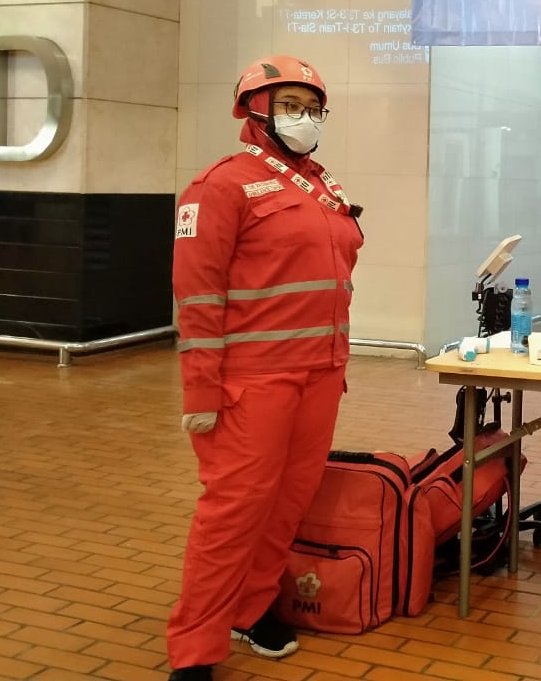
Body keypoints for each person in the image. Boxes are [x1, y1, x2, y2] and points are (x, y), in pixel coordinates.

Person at [166, 56, 364, 681]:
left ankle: (249, 608)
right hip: (253, 382)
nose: (304, 118)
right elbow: (196, 296)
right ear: (253, 109)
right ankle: (194, 647)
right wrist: (200, 388)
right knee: (234, 511)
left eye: (313, 108)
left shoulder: (318, 184)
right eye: (290, 105)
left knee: (287, 503)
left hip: (320, 373)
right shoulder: (219, 187)